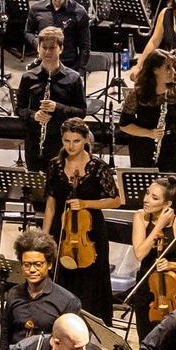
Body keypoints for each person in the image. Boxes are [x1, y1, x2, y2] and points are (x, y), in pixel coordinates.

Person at [41, 118, 123, 321]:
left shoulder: (98, 167)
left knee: (90, 282)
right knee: (62, 279)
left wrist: (86, 203)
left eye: (76, 141)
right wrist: (44, 235)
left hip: (90, 233)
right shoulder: (55, 165)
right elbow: (51, 203)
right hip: (63, 230)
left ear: (86, 140)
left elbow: (116, 200)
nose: (70, 146)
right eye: (66, 140)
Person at [128, 177, 176, 350]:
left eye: (154, 197)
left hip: (173, 291)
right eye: (147, 193)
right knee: (147, 345)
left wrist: (171, 264)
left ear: (168, 204)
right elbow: (140, 253)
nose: (147, 199)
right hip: (146, 289)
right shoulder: (140, 217)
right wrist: (158, 225)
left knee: (171, 348)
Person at [16, 25, 88, 173]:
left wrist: (57, 107)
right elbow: (19, 109)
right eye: (44, 47)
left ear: (60, 49)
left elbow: (81, 112)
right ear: (38, 48)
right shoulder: (28, 77)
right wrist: (34, 115)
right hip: (34, 142)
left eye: (52, 48)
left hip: (61, 143)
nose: (48, 52)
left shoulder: (73, 78)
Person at [0, 227, 80, 349]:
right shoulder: (13, 293)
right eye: (27, 265)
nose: (32, 270)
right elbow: (6, 333)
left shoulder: (68, 301)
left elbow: (69, 345)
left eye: (38, 264)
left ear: (50, 264)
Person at [118, 51, 176, 173]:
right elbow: (124, 125)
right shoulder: (138, 94)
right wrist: (150, 133)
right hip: (144, 147)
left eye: (172, 67)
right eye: (167, 67)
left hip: (173, 146)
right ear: (154, 70)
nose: (173, 71)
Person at [27, 0, 91, 72]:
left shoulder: (79, 12)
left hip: (69, 67)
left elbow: (85, 47)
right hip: (43, 65)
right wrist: (38, 43)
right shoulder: (36, 9)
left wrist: (80, 72)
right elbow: (28, 32)